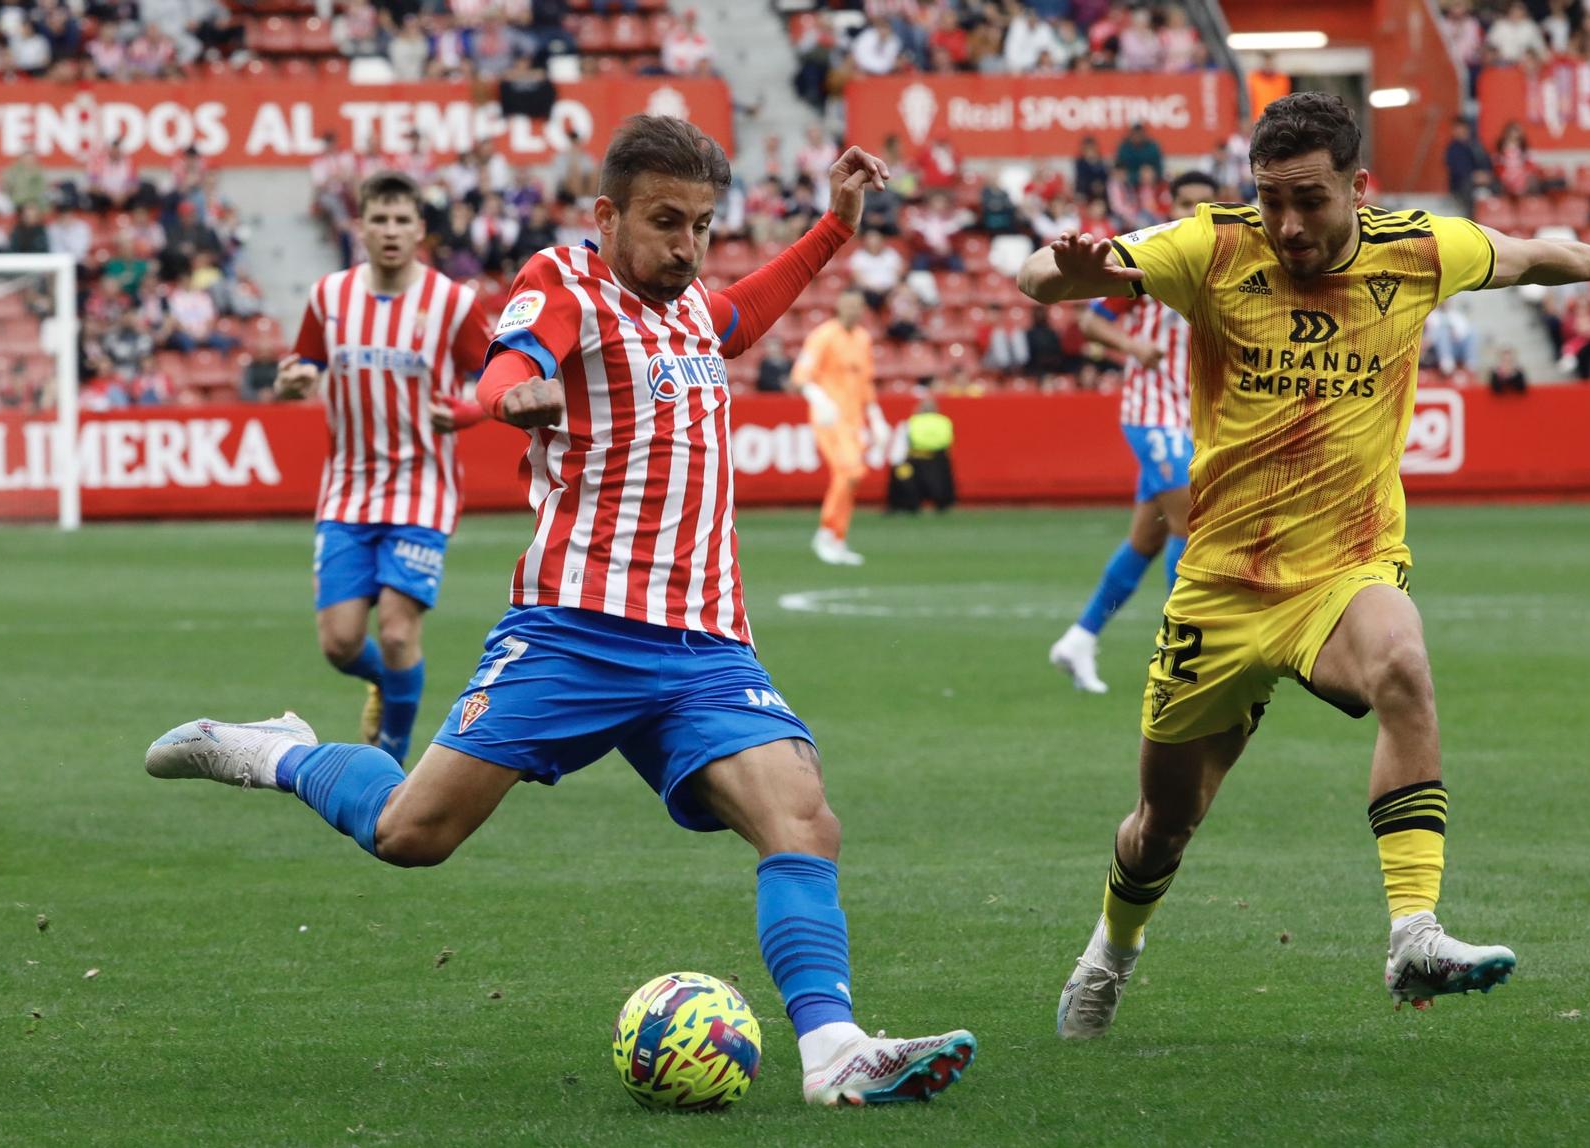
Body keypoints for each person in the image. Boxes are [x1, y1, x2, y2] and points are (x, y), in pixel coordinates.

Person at [143, 116, 977, 1107]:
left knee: (802, 819)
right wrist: (510, 395)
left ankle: (831, 1046)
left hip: (705, 644)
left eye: (703, 225)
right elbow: (512, 355)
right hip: (574, 630)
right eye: (665, 221)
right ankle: (278, 750)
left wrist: (831, 229)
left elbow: (739, 314)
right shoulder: (564, 281)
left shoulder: (687, 308)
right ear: (605, 214)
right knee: (414, 831)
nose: (686, 245)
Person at [1019, 90, 1590, 1029]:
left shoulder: (1417, 250)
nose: (1286, 222)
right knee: (1167, 819)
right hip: (1222, 584)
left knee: (1403, 662)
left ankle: (1414, 935)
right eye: (1270, 197)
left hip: (1347, 567)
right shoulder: (1213, 246)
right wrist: (1067, 273)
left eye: (1310, 199)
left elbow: (1530, 255)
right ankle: (1109, 955)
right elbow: (1037, 278)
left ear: (1357, 188)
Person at [268, 170, 494, 764]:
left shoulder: (451, 302)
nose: (391, 231)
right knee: (341, 643)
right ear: (359, 227)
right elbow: (305, 362)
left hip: (423, 488)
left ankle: (391, 759)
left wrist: (467, 414)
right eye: (380, 219)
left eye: (402, 220)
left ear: (420, 229)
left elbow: (498, 379)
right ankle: (383, 684)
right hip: (348, 488)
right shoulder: (330, 296)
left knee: (396, 631)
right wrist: (293, 379)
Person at [1048, 170, 1214, 695]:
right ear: (1171, 203)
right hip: (1151, 412)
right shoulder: (1152, 257)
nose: (1192, 213)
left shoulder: (1220, 261)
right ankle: (1185, 653)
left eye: (1201, 204)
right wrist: (1135, 348)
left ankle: (1079, 638)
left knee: (1146, 539)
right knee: (1193, 524)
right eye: (1184, 202)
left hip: (1189, 415)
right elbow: (1091, 321)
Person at [794, 289, 888, 566]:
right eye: (849, 306)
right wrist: (819, 399)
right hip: (830, 417)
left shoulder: (863, 339)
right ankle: (827, 533)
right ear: (839, 307)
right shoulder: (823, 336)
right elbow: (801, 375)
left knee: (853, 476)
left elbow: (866, 382)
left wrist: (876, 417)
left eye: (858, 306)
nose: (854, 311)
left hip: (853, 419)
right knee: (848, 471)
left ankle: (836, 535)